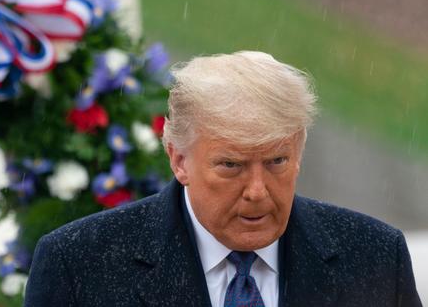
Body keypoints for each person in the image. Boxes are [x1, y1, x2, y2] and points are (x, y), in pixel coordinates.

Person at [24, 51, 422, 307]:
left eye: (277, 161)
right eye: (231, 165)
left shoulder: (374, 257)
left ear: (299, 151)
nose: (256, 192)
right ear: (178, 159)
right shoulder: (78, 266)